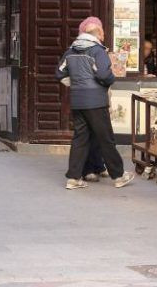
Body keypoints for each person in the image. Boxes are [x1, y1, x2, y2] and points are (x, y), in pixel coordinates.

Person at [56, 16, 134, 190]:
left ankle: (74, 178)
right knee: (106, 138)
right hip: (96, 101)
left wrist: (76, 85)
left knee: (80, 139)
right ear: (98, 33)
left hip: (77, 101)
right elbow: (104, 76)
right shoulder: (97, 51)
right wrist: (108, 82)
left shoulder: (71, 51)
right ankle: (119, 175)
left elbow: (60, 74)